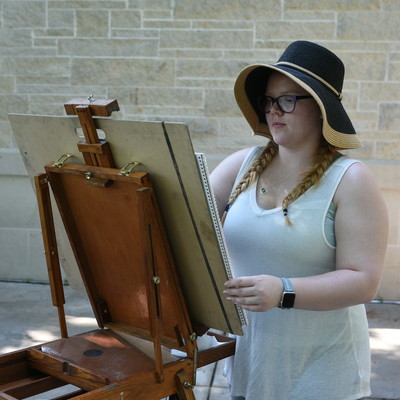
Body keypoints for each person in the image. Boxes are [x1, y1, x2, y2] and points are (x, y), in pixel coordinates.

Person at [210, 41, 388, 400]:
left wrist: (283, 291)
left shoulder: (351, 180)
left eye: (288, 100)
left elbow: (363, 281)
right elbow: (187, 230)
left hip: (322, 373)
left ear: (322, 108)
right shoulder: (239, 165)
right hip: (252, 361)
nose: (275, 110)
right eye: (269, 100)